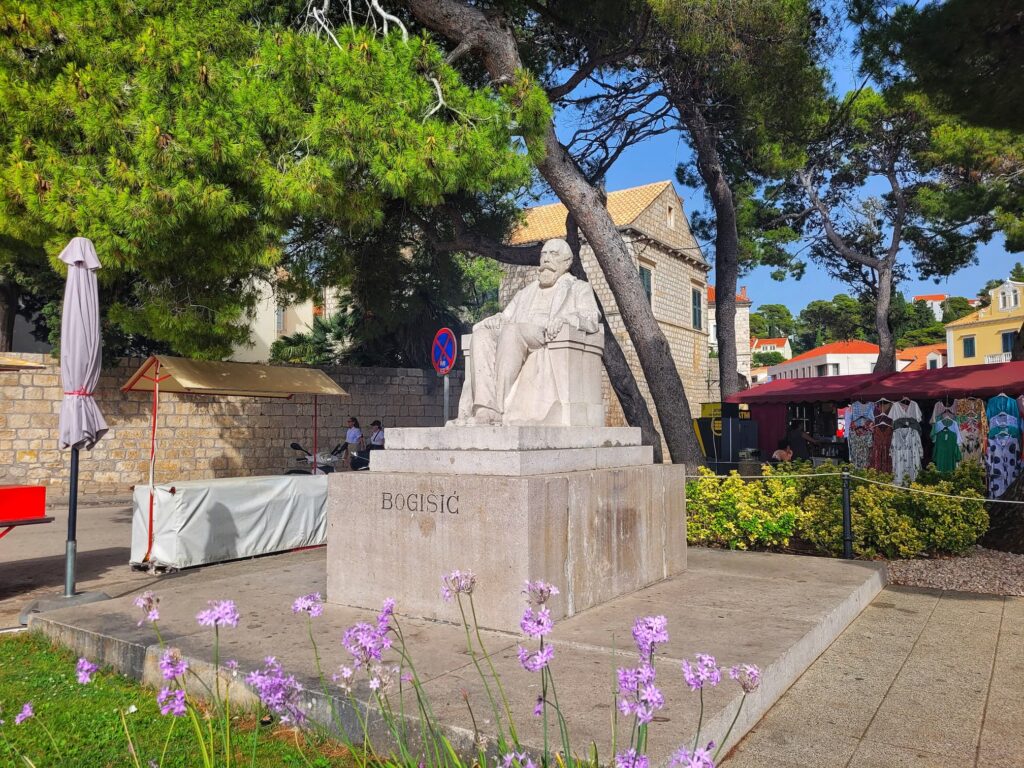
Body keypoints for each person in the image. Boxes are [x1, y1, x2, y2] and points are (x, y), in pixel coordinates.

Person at [453, 238, 600, 425]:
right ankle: (485, 407)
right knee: (482, 335)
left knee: (511, 331)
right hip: (515, 331)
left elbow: (591, 318)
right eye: (543, 254)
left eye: (553, 254)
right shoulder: (527, 291)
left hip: (544, 333)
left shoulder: (578, 288)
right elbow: (506, 316)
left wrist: (566, 319)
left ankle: (497, 408)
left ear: (567, 262)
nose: (546, 259)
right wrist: (494, 320)